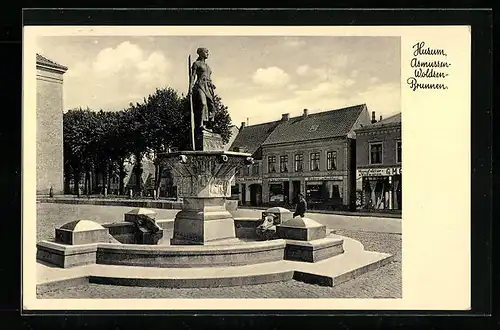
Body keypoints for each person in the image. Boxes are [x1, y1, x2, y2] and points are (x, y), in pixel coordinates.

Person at [188, 47, 216, 133]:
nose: (208, 53)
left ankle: (208, 124)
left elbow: (209, 78)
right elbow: (192, 76)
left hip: (208, 87)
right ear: (200, 53)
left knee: (211, 106)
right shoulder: (196, 64)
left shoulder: (208, 67)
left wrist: (211, 84)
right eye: (206, 52)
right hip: (200, 85)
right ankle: (201, 125)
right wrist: (190, 87)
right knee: (203, 104)